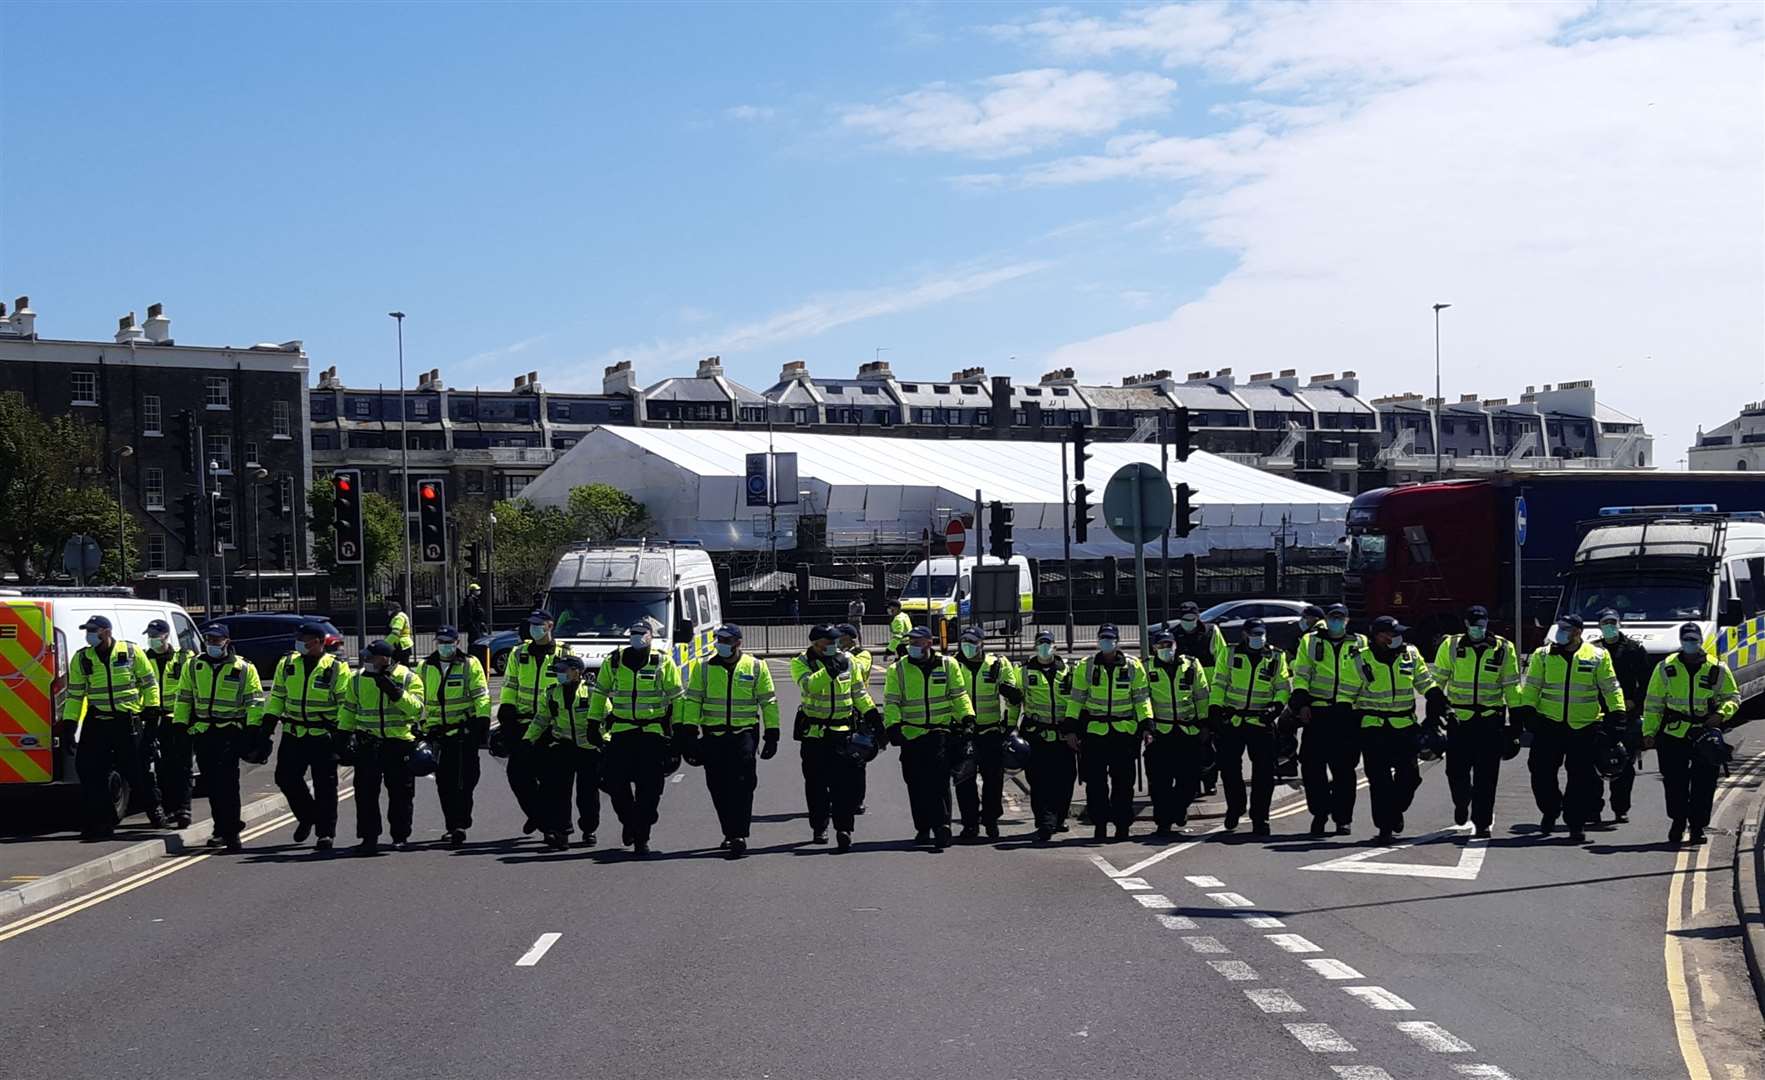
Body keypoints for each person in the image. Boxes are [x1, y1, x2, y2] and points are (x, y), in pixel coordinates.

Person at [1517, 613, 1624, 843]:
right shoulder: (1543, 655)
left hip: (1584, 726)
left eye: (1566, 629)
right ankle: (1550, 809)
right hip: (1549, 724)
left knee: (1581, 777)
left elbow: (1610, 687)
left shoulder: (1597, 655)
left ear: (1577, 633)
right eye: (1560, 628)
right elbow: (1532, 686)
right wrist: (1526, 710)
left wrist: (1618, 713)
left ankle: (1575, 823)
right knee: (1540, 771)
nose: (1560, 633)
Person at [1340, 616, 1445, 844]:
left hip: (1404, 726)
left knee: (1410, 777)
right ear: (1378, 636)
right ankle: (1385, 826)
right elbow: (1346, 693)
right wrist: (1345, 717)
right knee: (1379, 781)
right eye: (1391, 633)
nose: (1396, 637)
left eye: (1398, 633)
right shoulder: (1360, 658)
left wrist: (1435, 695)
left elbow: (1424, 681)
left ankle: (1395, 810)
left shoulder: (1410, 653)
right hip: (1373, 728)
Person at [679, 625, 779, 857]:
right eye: (718, 639)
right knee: (718, 786)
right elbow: (693, 700)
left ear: (738, 643)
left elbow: (768, 702)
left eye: (725, 640)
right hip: (713, 736)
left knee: (744, 785)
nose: (720, 643)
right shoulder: (704, 668)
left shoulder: (755, 666)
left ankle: (739, 834)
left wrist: (772, 734)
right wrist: (689, 732)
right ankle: (729, 831)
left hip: (744, 734)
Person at [60, 616, 159, 840]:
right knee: (89, 772)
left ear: (106, 631)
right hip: (98, 721)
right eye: (87, 630)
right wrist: (70, 724)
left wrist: (152, 711)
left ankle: (154, 807)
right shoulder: (82, 658)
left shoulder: (130, 652)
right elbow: (75, 694)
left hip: (127, 720)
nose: (89, 635)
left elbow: (149, 683)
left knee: (137, 771)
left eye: (93, 630)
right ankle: (101, 823)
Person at [590, 620, 683, 856]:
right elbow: (600, 692)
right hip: (621, 732)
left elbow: (677, 697)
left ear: (651, 637)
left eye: (643, 633)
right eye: (634, 633)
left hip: (652, 734)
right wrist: (593, 722)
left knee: (649, 790)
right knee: (616, 785)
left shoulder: (662, 661)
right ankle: (629, 821)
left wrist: (680, 730)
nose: (638, 637)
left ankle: (641, 836)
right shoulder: (614, 660)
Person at [1643, 624, 1740, 845]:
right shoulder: (1665, 668)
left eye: (1694, 640)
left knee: (1704, 783)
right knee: (1674, 782)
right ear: (1681, 641)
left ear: (1700, 641)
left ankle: (1697, 827)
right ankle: (1678, 821)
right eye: (1687, 640)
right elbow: (1653, 704)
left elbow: (1733, 697)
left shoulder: (1717, 668)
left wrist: (1720, 715)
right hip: (1673, 733)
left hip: (1704, 734)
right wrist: (1649, 732)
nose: (1690, 644)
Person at [1430, 605, 1521, 839]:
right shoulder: (1450, 646)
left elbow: (1511, 685)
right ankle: (1462, 803)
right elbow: (1438, 681)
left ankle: (1482, 822)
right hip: (1459, 720)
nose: (1478, 629)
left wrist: (1517, 721)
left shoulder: (1503, 648)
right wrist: (1433, 713)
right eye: (1474, 625)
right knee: (1455, 772)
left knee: (1487, 776)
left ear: (1487, 624)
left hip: (1490, 721)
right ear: (1466, 625)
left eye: (1481, 625)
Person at [260, 622, 353, 851]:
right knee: (285, 778)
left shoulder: (336, 668)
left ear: (320, 643)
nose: (300, 643)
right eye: (299, 638)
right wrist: (267, 726)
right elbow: (278, 696)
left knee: (326, 787)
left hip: (323, 735)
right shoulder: (288, 663)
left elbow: (345, 703)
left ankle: (325, 833)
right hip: (294, 733)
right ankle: (308, 815)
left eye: (306, 640)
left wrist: (343, 733)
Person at [172, 623, 264, 852]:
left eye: (217, 640)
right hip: (204, 733)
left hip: (230, 733)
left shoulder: (243, 668)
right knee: (212, 785)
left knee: (228, 785)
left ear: (227, 641)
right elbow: (184, 697)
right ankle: (222, 828)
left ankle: (231, 832)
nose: (212, 644)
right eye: (209, 639)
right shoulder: (194, 666)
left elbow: (254, 702)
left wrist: (253, 730)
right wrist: (180, 726)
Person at [792, 624, 880, 852]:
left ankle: (844, 829)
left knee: (844, 786)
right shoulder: (801, 662)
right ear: (815, 643)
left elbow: (859, 693)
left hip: (842, 733)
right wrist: (830, 669)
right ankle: (819, 826)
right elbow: (809, 686)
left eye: (834, 642)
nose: (833, 647)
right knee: (816, 785)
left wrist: (874, 719)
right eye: (827, 643)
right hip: (814, 735)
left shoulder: (847, 660)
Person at [884, 626, 973, 850]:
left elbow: (959, 694)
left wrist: (967, 718)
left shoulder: (947, 664)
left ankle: (942, 825)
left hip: (939, 733)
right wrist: (893, 726)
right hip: (911, 735)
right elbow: (892, 701)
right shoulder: (898, 669)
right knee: (916, 784)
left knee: (940, 781)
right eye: (910, 642)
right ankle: (923, 828)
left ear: (929, 642)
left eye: (917, 641)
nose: (913, 645)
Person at [1065, 624, 1152, 842]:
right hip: (1095, 732)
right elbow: (1077, 699)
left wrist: (1147, 726)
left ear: (1117, 641)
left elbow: (1141, 699)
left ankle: (1122, 826)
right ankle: (1100, 825)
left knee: (1123, 784)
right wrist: (1070, 729)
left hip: (1124, 732)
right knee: (1095, 784)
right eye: (1103, 638)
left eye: (1110, 638)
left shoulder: (1133, 666)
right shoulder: (1087, 666)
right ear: (1098, 640)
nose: (1107, 642)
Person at [338, 640, 425, 852]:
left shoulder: (408, 677)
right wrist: (342, 737)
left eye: (370, 657)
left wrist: (394, 691)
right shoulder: (357, 679)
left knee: (400, 793)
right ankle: (368, 838)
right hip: (368, 744)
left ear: (384, 659)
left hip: (399, 744)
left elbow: (417, 710)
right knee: (365, 793)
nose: (365, 660)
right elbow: (348, 709)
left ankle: (400, 835)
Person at [1289, 603, 1367, 838]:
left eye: (1340, 618)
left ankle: (1343, 819)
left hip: (1347, 714)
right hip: (1318, 712)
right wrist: (1301, 703)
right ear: (1326, 619)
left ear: (1347, 620)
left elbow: (1367, 675)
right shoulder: (1311, 641)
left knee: (1344, 769)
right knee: (1312, 768)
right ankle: (1320, 813)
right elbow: (1302, 673)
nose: (1336, 622)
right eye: (1333, 617)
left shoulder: (1360, 642)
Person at [1208, 618, 1291, 836]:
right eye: (1254, 634)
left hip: (1261, 722)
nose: (1258, 639)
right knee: (1229, 770)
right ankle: (1235, 808)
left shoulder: (1276, 656)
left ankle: (1260, 818)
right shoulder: (1231, 653)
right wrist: (1215, 708)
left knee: (1264, 774)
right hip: (1233, 721)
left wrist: (1277, 707)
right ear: (1244, 635)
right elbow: (1219, 682)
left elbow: (1282, 686)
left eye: (1261, 634)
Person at [495, 610, 573, 836]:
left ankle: (555, 827)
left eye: (539, 625)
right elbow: (509, 684)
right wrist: (506, 711)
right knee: (518, 775)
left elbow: (569, 685)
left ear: (550, 626)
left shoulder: (564, 653)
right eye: (531, 625)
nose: (534, 629)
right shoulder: (518, 653)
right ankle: (538, 816)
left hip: (552, 726)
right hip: (523, 723)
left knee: (552, 780)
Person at [417, 625, 491, 846]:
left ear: (457, 643)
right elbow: (418, 698)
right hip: (437, 734)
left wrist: (482, 723)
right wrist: (420, 725)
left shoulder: (469, 664)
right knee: (444, 782)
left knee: (468, 779)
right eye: (441, 642)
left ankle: (462, 819)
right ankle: (454, 826)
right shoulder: (425, 666)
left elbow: (480, 695)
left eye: (449, 642)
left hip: (463, 732)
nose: (445, 646)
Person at [524, 654, 603, 851]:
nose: (560, 673)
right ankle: (562, 833)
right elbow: (541, 719)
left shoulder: (592, 692)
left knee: (588, 794)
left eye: (564, 670)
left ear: (577, 671)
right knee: (559, 793)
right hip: (563, 748)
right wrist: (528, 739)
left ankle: (589, 829)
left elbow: (605, 718)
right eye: (558, 670)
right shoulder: (552, 693)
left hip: (588, 750)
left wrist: (605, 742)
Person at [952, 627, 1021, 840]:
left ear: (982, 643)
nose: (967, 645)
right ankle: (970, 824)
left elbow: (1013, 699)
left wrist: (1009, 727)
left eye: (972, 641)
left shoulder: (998, 665)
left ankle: (991, 820)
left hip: (991, 732)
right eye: (964, 641)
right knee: (964, 781)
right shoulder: (952, 665)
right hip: (963, 732)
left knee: (993, 781)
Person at [1145, 628, 1212, 835]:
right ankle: (1163, 822)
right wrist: (1147, 727)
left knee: (1190, 780)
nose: (1166, 649)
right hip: (1160, 732)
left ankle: (1179, 808)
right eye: (1161, 646)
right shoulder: (1146, 668)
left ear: (1176, 645)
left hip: (1188, 731)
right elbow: (1143, 698)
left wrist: (1205, 725)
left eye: (1169, 645)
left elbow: (1201, 695)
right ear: (1154, 648)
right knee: (1159, 783)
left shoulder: (1191, 665)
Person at [1591, 609, 1653, 825]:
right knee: (1594, 763)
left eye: (1612, 622)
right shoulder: (1592, 651)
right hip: (1597, 714)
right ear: (1599, 625)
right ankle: (1593, 810)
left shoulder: (1634, 649)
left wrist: (1635, 701)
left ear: (1619, 624)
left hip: (1627, 714)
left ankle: (1620, 808)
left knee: (1624, 763)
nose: (1609, 626)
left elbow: (1647, 682)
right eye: (1605, 622)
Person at [1016, 630, 1077, 843]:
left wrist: (1074, 729)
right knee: (1039, 779)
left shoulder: (1069, 670)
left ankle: (1059, 818)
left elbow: (1077, 701)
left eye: (1048, 643)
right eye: (1041, 643)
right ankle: (1044, 821)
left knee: (1066, 778)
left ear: (1055, 646)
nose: (1044, 646)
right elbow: (1016, 701)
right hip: (1036, 733)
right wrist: (1010, 728)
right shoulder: (1023, 671)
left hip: (1063, 733)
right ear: (1035, 646)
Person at [142, 620, 195, 828]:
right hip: (156, 719)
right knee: (162, 767)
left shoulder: (184, 658)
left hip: (180, 718)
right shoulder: (145, 659)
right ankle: (171, 808)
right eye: (150, 634)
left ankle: (184, 809)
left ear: (166, 635)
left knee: (182, 765)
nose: (152, 638)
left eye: (155, 634)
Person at [1172, 600, 1229, 795]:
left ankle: (1210, 781)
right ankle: (1193, 783)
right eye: (1184, 618)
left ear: (1198, 616)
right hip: (1186, 696)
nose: (1187, 621)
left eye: (1191, 617)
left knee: (1209, 741)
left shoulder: (1211, 632)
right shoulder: (1175, 634)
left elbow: (1222, 659)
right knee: (1191, 743)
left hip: (1210, 694)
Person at [836, 623, 874, 815]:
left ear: (850, 638)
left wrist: (843, 657)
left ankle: (857, 800)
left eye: (840, 636)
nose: (837, 639)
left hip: (858, 711)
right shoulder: (833, 655)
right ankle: (838, 798)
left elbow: (859, 667)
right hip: (839, 709)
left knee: (858, 758)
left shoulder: (862, 654)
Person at [385, 598, 414, 668]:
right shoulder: (401, 615)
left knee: (400, 667)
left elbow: (395, 633)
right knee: (402, 666)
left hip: (401, 645)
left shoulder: (398, 617)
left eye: (390, 609)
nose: (388, 611)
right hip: (402, 645)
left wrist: (385, 644)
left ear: (394, 610)